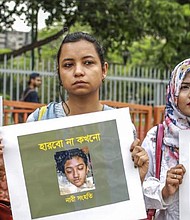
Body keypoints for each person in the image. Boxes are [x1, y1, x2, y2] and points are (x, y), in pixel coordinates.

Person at [0, 32, 149, 215]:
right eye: (68, 65)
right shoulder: (39, 120)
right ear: (59, 73)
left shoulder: (120, 127)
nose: (78, 71)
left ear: (104, 70)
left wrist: (136, 177)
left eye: (88, 62)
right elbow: (31, 188)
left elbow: (117, 194)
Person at [142, 58, 190, 219]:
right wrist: (165, 190)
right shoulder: (156, 138)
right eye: (185, 87)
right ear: (173, 90)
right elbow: (138, 190)